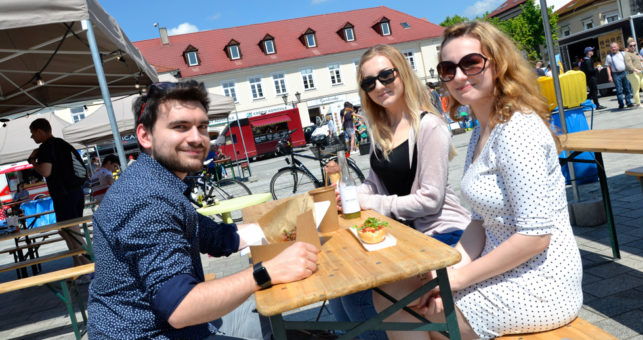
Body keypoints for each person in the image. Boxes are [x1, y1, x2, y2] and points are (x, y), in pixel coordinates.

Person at [374, 21, 584, 340]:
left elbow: (535, 236)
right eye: (448, 68)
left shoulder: (517, 130)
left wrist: (457, 279)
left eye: (471, 63)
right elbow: (479, 223)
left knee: (419, 310)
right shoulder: (481, 130)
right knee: (389, 294)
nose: (459, 76)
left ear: (498, 64)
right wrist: (448, 268)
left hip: (540, 283)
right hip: (502, 269)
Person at [88, 81, 319, 339]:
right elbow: (181, 307)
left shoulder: (158, 183)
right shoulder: (147, 199)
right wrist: (268, 271)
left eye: (203, 126)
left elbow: (214, 236)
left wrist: (282, 227)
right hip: (153, 333)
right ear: (145, 136)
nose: (197, 138)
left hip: (182, 328)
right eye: (180, 127)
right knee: (278, 313)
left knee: (279, 318)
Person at [329, 44, 471, 340]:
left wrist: (370, 202)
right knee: (341, 295)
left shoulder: (429, 126)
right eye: (369, 82)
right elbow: (374, 183)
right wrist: (349, 194)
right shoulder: (381, 128)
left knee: (368, 298)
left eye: (385, 75)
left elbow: (430, 201)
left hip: (440, 233)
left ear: (402, 73)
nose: (378, 86)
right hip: (401, 236)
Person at [27, 118, 90, 269]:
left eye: (32, 133)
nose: (32, 137)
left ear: (40, 131)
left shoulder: (46, 147)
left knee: (73, 231)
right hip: (75, 192)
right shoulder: (63, 144)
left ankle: (92, 269)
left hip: (64, 194)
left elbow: (45, 171)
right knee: (65, 231)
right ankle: (78, 267)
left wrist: (33, 162)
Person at [624, 38, 643, 107]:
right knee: (636, 89)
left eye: (634, 45)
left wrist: (641, 68)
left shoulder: (636, 53)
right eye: (631, 46)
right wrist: (636, 70)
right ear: (628, 46)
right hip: (633, 73)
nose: (633, 47)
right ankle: (638, 104)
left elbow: (641, 61)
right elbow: (629, 65)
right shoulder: (627, 54)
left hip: (640, 72)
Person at [605, 42, 635, 109]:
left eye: (615, 47)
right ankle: (621, 104)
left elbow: (629, 59)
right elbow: (608, 67)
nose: (613, 48)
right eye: (612, 47)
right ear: (610, 48)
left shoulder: (623, 54)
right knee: (619, 90)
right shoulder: (609, 56)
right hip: (616, 74)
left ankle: (628, 102)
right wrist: (610, 76)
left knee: (627, 88)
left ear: (618, 47)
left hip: (625, 72)